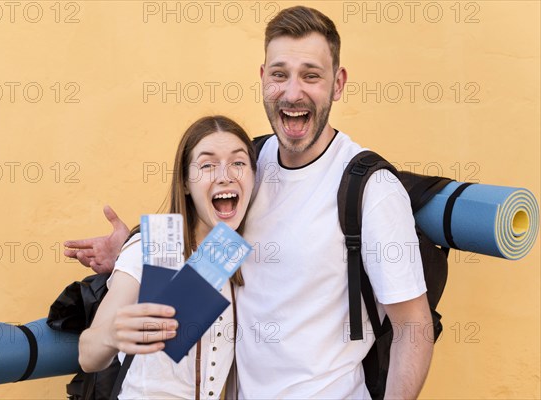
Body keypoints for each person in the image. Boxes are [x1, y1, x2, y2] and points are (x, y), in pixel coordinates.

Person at [67, 6, 433, 399]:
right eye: (280, 74)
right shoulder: (249, 168)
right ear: (262, 79)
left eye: (311, 75)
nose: (293, 92)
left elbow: (413, 328)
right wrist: (138, 252)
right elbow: (179, 310)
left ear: (338, 83)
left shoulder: (370, 189)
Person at [77, 115, 257, 399]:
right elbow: (88, 354)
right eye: (207, 165)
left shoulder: (232, 252)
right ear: (185, 182)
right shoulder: (157, 246)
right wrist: (113, 334)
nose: (225, 175)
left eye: (238, 162)